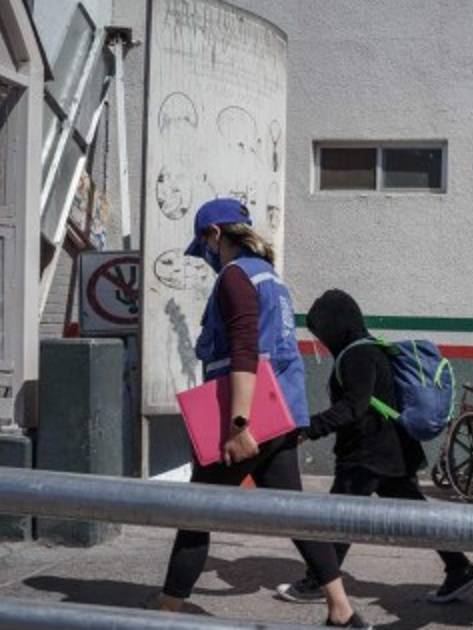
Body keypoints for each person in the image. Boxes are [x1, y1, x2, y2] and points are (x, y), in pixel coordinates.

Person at [154, 199, 371, 629]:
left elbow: (244, 349)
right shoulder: (271, 278)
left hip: (248, 419)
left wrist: (238, 425)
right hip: (280, 415)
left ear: (216, 235)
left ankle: (165, 613)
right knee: (296, 515)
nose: (207, 258)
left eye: (205, 245)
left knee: (194, 514)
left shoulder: (235, 277)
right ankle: (342, 610)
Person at [277, 289, 473, 604]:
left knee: (338, 520)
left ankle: (318, 581)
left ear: (336, 326)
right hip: (393, 452)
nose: (322, 341)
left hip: (366, 454)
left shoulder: (356, 356)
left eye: (323, 332)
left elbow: (353, 406)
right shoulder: (371, 348)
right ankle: (460, 569)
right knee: (418, 517)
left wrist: (311, 428)